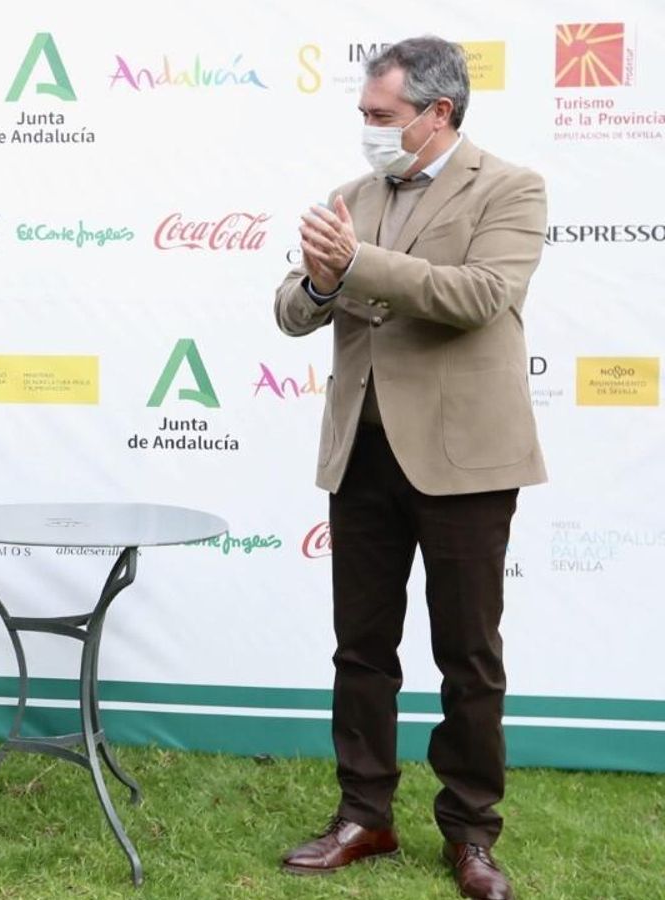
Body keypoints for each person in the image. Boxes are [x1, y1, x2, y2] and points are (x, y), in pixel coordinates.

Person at [274, 36, 546, 900]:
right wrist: (319, 283)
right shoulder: (352, 195)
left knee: (468, 656)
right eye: (362, 115)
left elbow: (477, 296)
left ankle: (470, 835)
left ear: (440, 114)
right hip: (363, 452)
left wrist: (357, 265)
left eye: (382, 117)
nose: (367, 131)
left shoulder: (511, 187)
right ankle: (365, 815)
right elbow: (292, 310)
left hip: (465, 460)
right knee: (361, 651)